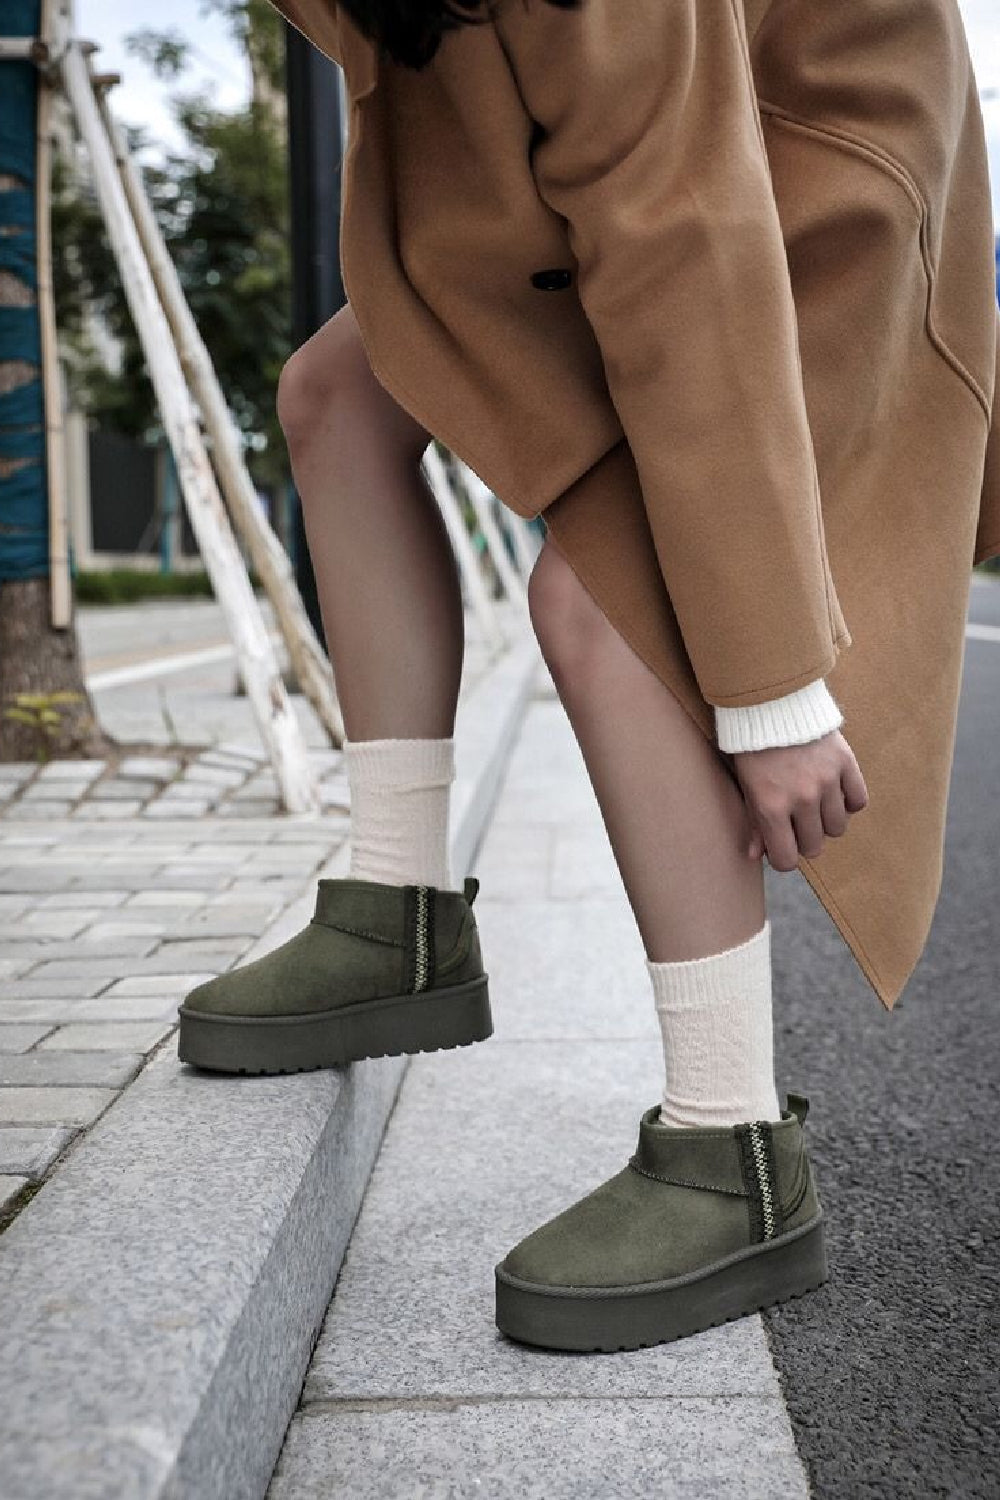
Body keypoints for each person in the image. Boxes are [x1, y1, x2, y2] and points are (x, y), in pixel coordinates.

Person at [176, 0, 1000, 1353]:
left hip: (806, 128)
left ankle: (733, 1146)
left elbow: (686, 247)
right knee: (335, 400)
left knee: (609, 599)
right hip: (639, 117)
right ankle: (398, 913)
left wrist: (775, 694)